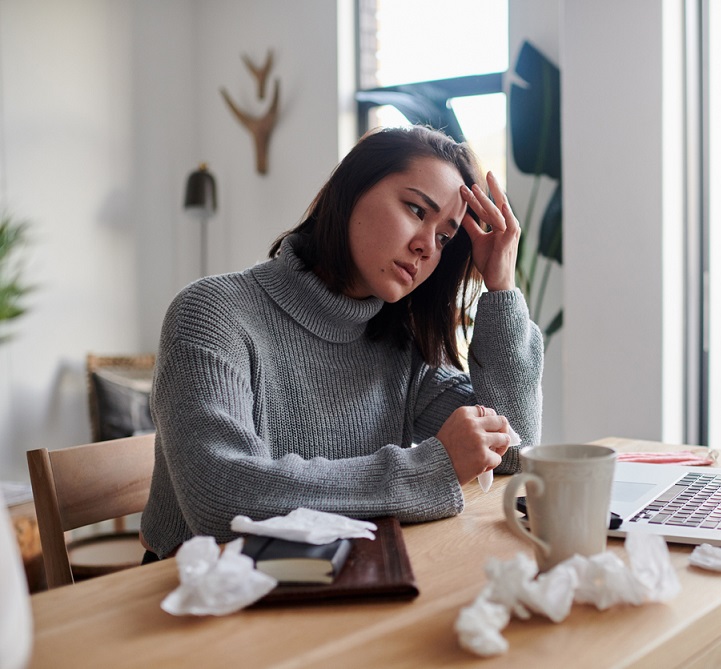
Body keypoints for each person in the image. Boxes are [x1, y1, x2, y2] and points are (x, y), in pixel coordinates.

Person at [140, 126, 543, 559]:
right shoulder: (211, 314)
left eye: (444, 237)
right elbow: (221, 500)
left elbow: (513, 449)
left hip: (340, 581)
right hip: (204, 599)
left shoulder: (400, 343)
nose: (427, 245)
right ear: (351, 192)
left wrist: (501, 287)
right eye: (415, 209)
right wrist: (429, 470)